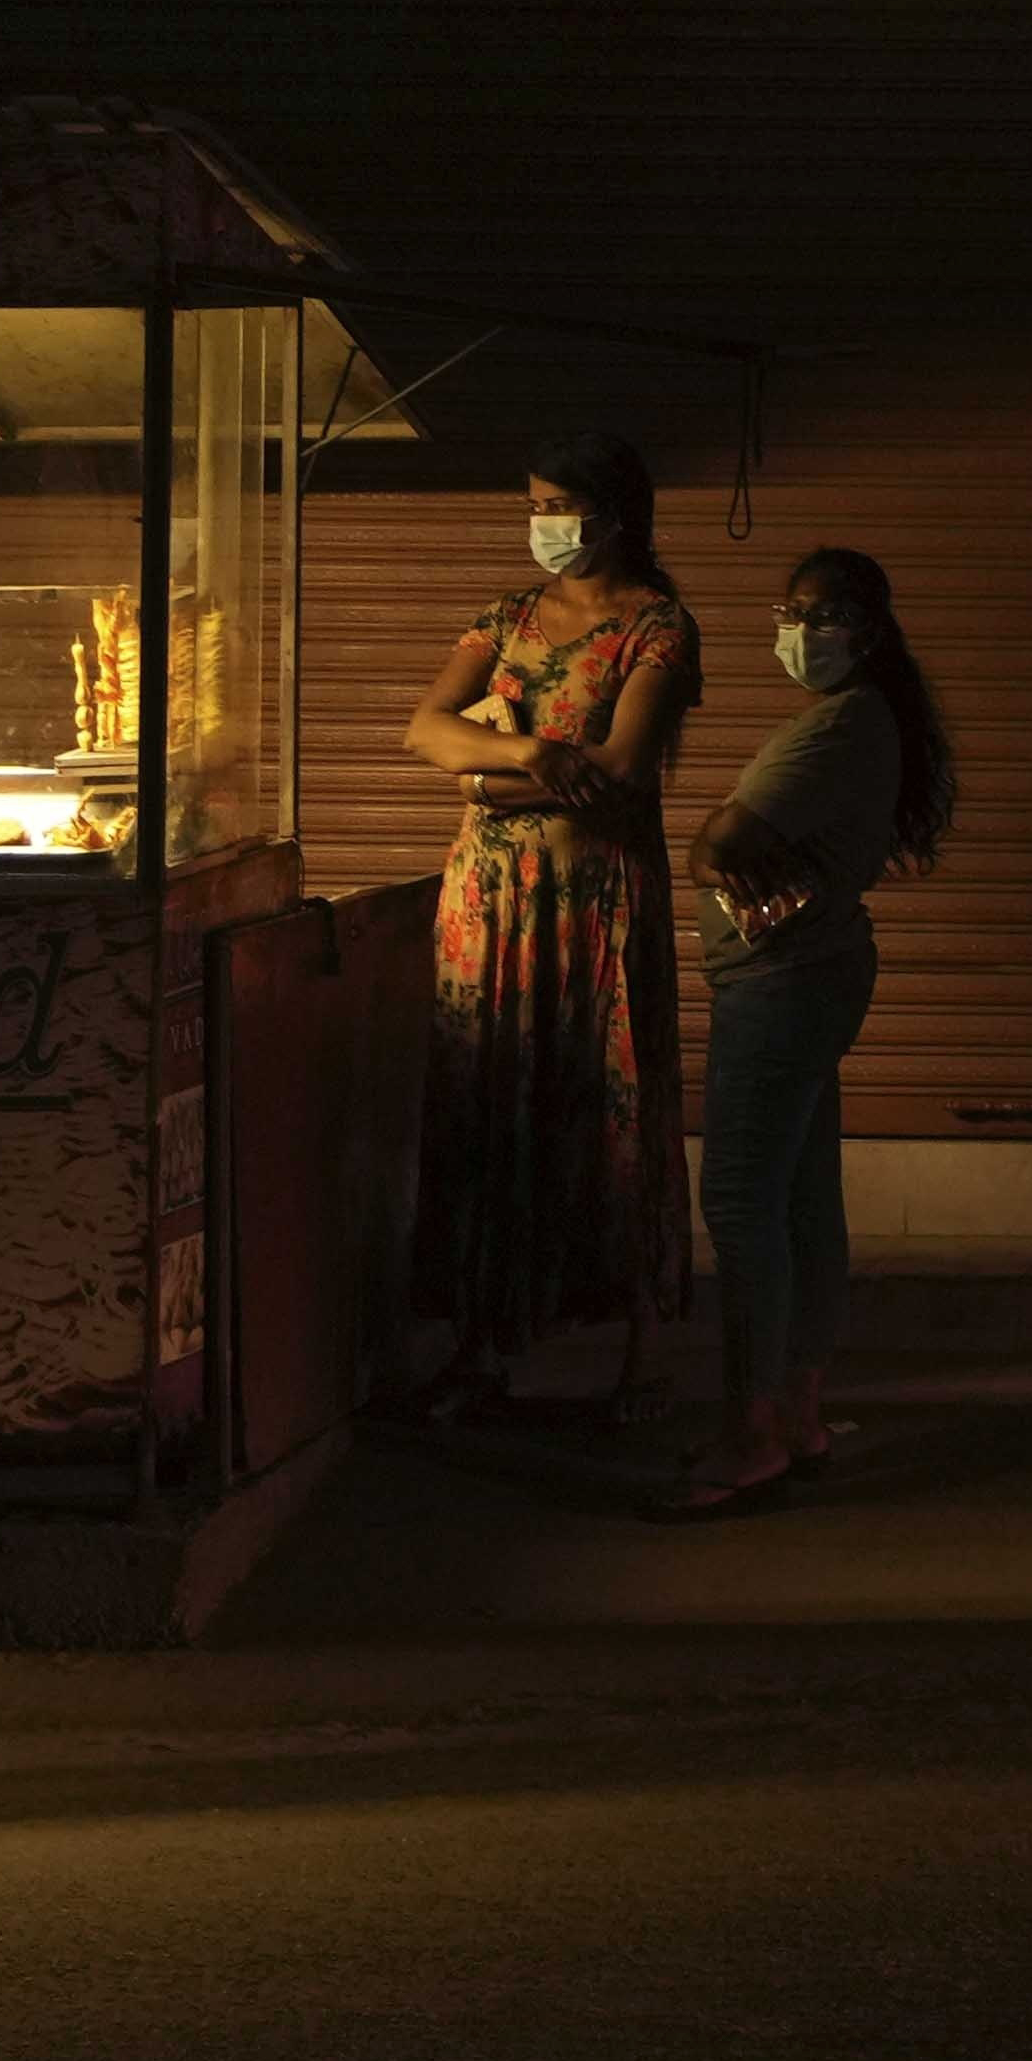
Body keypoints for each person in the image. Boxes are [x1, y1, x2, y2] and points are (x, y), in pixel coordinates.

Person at [405, 430, 702, 1412]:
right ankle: (481, 1343)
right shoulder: (506, 616)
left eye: (559, 507)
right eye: (533, 506)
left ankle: (637, 1351)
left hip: (595, 898)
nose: (543, 525)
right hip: (489, 899)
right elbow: (425, 729)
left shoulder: (657, 627)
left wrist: (483, 781)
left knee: (607, 1099)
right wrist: (529, 756)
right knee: (485, 1099)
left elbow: (621, 769)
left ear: (615, 514)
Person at [669, 544, 955, 1517]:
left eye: (818, 615)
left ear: (866, 633)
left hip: (781, 984)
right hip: (807, 974)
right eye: (787, 612)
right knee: (798, 1196)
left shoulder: (841, 726)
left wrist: (714, 846)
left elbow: (719, 841)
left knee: (740, 1199)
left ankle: (751, 1436)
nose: (797, 632)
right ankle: (796, 1416)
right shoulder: (860, 719)